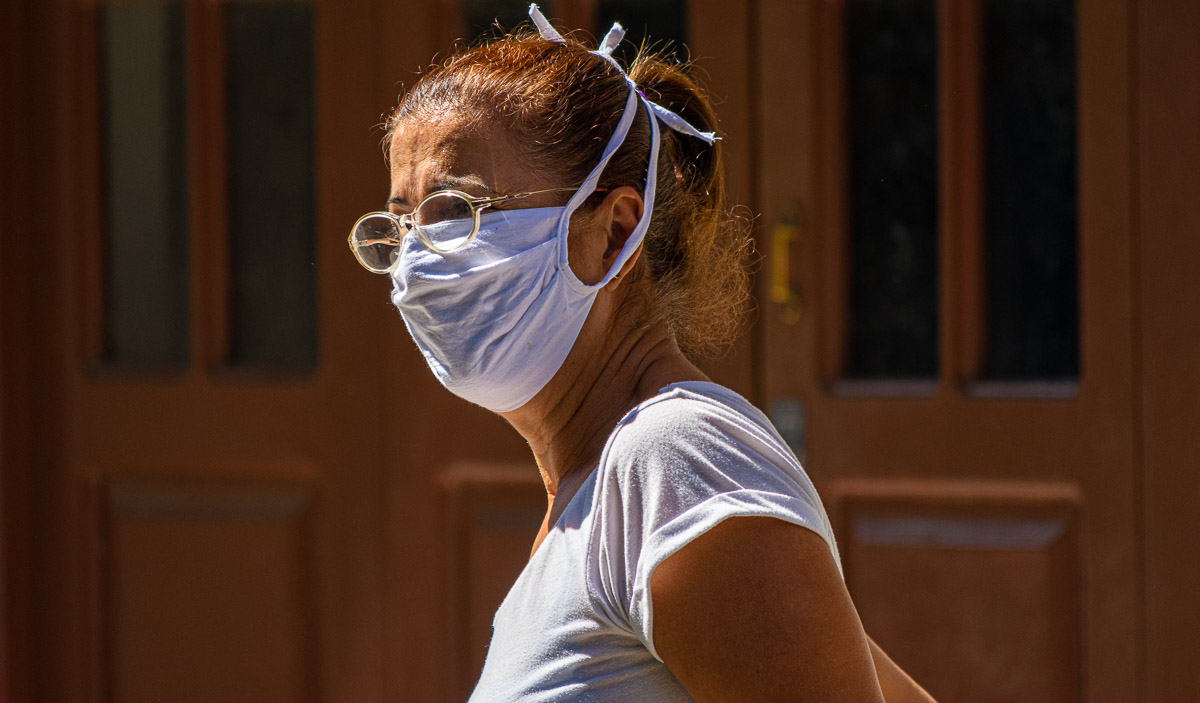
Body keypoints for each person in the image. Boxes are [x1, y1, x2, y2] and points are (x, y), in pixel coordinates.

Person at [349, 5, 937, 701]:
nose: (418, 262)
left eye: (457, 212)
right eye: (402, 224)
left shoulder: (674, 458)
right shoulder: (608, 490)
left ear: (612, 230)